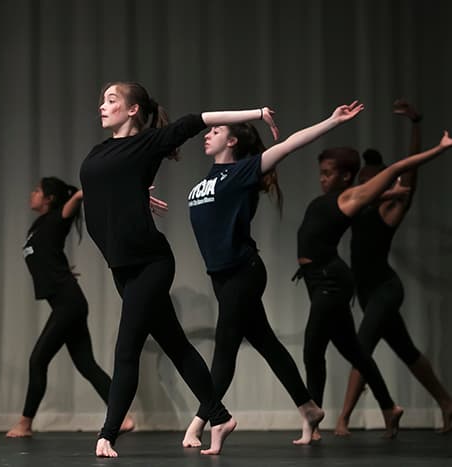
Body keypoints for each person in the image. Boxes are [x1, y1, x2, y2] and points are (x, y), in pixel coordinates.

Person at [79, 80, 279, 457]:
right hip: (121, 265)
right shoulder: (101, 150)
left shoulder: (149, 143)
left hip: (150, 263)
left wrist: (257, 113)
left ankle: (107, 434)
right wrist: (137, 194)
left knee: (127, 347)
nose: (102, 106)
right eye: (101, 100)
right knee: (175, 343)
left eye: (110, 100)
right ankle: (219, 416)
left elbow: (198, 119)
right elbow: (104, 188)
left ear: (133, 109)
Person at [182, 102, 368, 448]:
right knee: (267, 343)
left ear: (233, 142)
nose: (208, 135)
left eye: (216, 131)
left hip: (243, 272)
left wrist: (331, 120)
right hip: (220, 277)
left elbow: (291, 144)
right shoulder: (207, 179)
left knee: (225, 346)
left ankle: (207, 421)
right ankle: (309, 408)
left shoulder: (243, 172)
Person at [296, 115, 452, 440]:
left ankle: (332, 421)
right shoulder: (353, 204)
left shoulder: (376, 205)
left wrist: (435, 145)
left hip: (371, 286)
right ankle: (428, 404)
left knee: (340, 346)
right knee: (392, 351)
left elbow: (402, 172)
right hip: (355, 287)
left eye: (373, 182)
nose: (323, 179)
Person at [6, 177, 134, 438]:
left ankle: (25, 423)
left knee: (38, 359)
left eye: (37, 191)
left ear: (49, 199)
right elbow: (44, 255)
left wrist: (111, 184)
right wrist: (59, 271)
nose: (32, 194)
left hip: (68, 304)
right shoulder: (39, 226)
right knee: (86, 364)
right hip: (68, 301)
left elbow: (76, 198)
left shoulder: (56, 218)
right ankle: (122, 418)